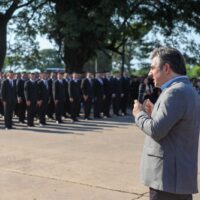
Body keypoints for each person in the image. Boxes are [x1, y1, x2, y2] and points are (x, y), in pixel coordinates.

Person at [133, 47, 200, 200]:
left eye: (152, 68)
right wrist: (153, 113)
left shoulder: (174, 92)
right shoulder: (188, 90)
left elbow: (157, 131)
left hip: (167, 178)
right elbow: (176, 126)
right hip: (177, 176)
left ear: (166, 68)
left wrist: (139, 114)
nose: (150, 73)